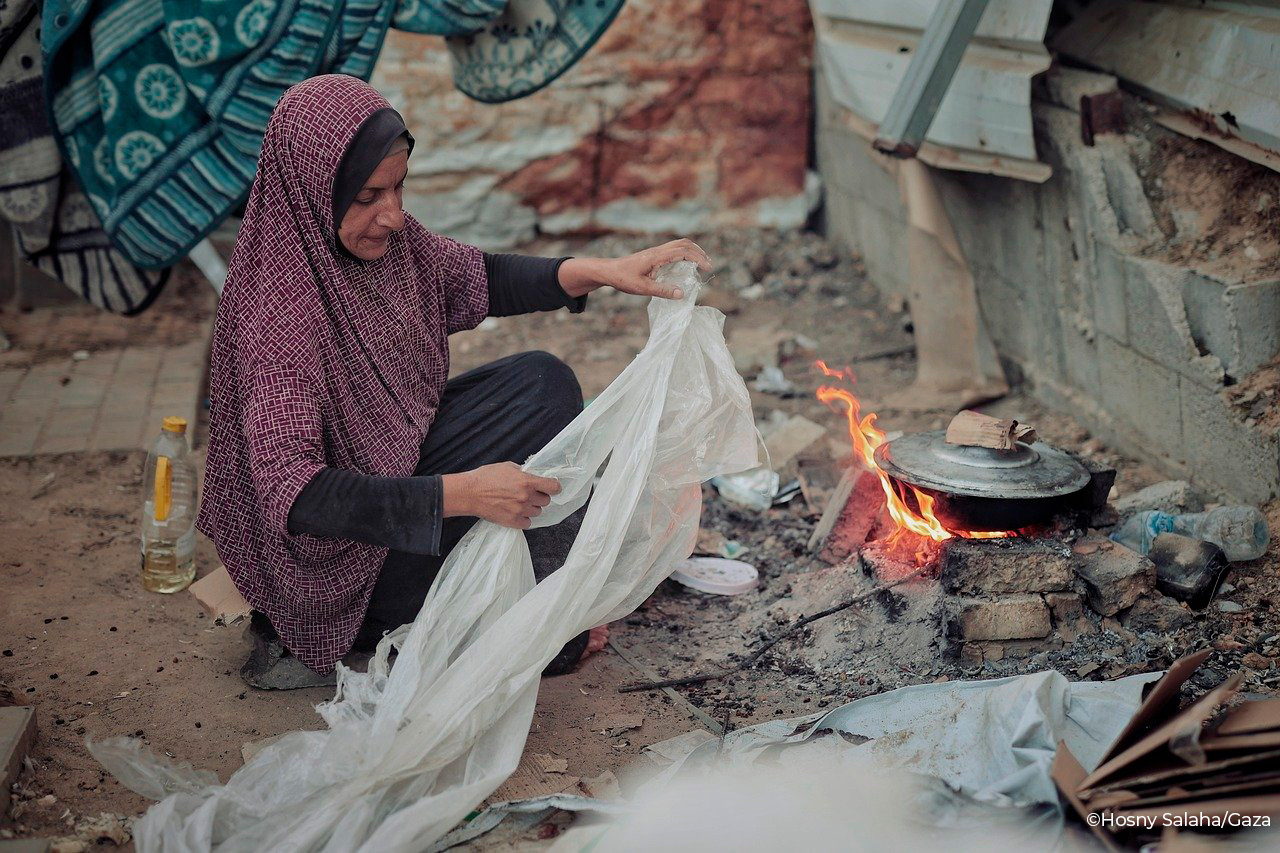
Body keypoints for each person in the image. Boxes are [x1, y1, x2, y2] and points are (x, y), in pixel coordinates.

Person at [196, 74, 710, 689]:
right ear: (311, 191)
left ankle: (527, 579)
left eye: (398, 187)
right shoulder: (279, 312)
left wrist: (601, 271)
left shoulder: (384, 248)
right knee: (546, 629)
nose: (392, 215)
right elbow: (299, 496)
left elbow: (476, 277)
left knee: (543, 382)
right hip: (338, 568)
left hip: (393, 469)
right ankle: (440, 615)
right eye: (367, 196)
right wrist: (464, 494)